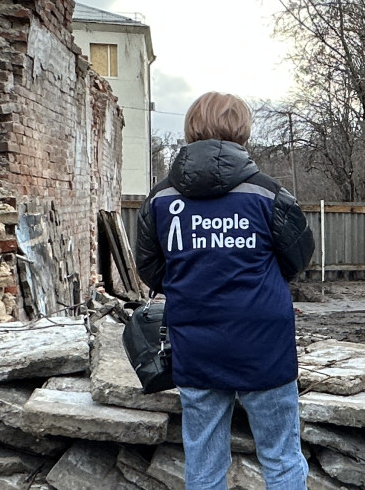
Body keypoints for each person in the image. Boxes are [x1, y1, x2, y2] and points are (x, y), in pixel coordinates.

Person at [136, 91, 314, 490]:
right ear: (243, 132)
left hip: (196, 343)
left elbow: (151, 270)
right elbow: (298, 259)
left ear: (190, 129)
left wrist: (197, 281)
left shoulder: (161, 200)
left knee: (204, 460)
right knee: (282, 457)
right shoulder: (269, 195)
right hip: (264, 343)